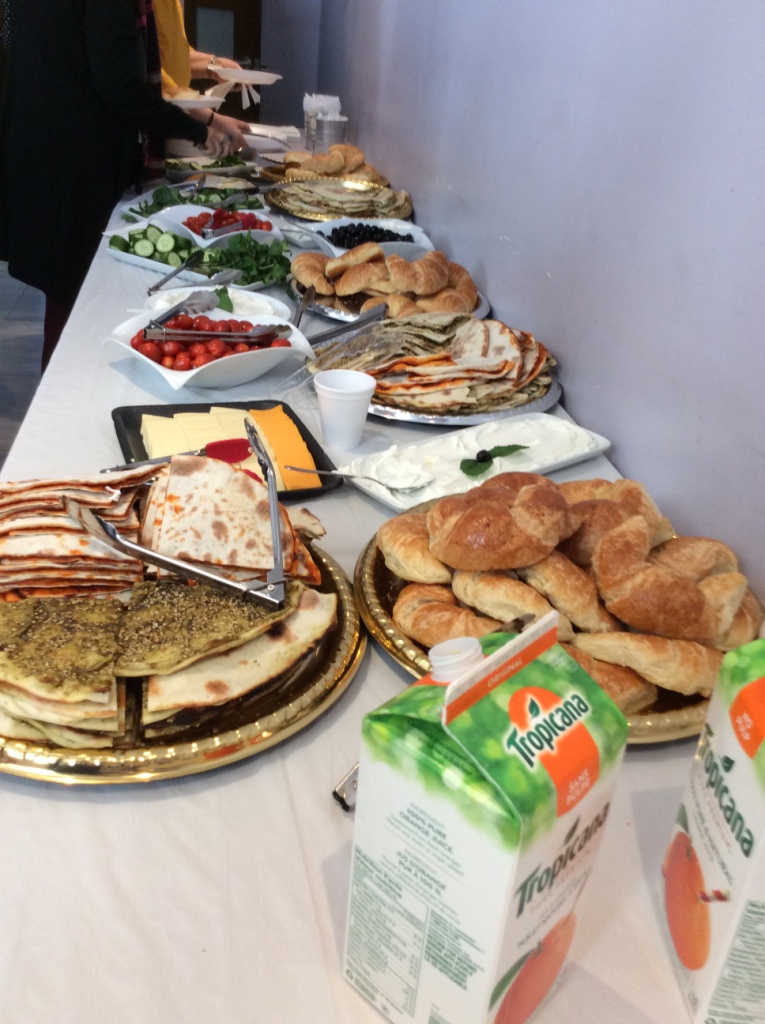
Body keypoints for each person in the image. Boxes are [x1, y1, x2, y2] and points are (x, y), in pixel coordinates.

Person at [0, 0, 235, 370]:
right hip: (75, 163)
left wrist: (202, 121)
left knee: (66, 306)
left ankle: (63, 392)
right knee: (78, 307)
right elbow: (120, 86)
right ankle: (67, 397)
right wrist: (199, 130)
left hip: (43, 150)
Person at [154, 0, 250, 151]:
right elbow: (152, 73)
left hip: (173, 123)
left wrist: (216, 66)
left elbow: (175, 57)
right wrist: (211, 120)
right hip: (150, 125)